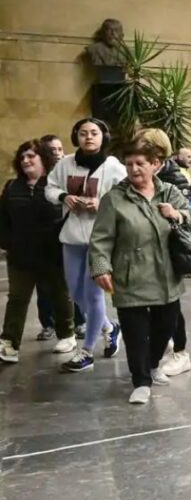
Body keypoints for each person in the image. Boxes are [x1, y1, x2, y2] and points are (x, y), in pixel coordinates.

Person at [90, 136, 191, 404]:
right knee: (136, 332)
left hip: (166, 273)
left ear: (155, 164)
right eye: (129, 164)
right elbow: (100, 238)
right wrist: (101, 267)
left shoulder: (170, 192)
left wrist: (177, 214)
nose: (134, 169)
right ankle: (141, 380)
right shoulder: (114, 199)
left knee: (166, 325)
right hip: (130, 273)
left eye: (140, 163)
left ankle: (151, 364)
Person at [45, 118, 126, 372]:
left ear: (103, 136)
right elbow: (49, 187)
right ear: (76, 136)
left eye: (94, 133)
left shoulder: (113, 167)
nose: (88, 137)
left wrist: (101, 203)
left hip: (100, 239)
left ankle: (87, 351)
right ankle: (109, 327)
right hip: (71, 237)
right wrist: (63, 196)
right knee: (76, 292)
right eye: (83, 133)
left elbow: (125, 196)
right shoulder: (66, 164)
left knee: (93, 294)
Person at [0, 141, 78, 363]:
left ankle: (67, 334)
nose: (25, 161)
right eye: (22, 157)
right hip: (20, 256)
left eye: (31, 156)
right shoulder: (12, 187)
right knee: (17, 298)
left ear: (43, 159)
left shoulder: (56, 186)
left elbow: (66, 216)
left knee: (59, 293)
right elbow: (3, 218)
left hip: (52, 253)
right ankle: (9, 343)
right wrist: (6, 242)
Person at [132, 129, 191, 377]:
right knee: (158, 306)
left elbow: (189, 214)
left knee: (171, 305)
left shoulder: (172, 177)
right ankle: (164, 347)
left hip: (167, 253)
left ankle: (180, 351)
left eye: (144, 147)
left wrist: (176, 214)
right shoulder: (136, 176)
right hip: (144, 254)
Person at [38, 134, 87, 340]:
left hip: (67, 235)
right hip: (44, 240)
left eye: (59, 149)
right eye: (52, 151)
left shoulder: (69, 172)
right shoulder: (40, 179)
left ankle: (80, 321)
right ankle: (48, 324)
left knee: (72, 282)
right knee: (45, 285)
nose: (57, 154)